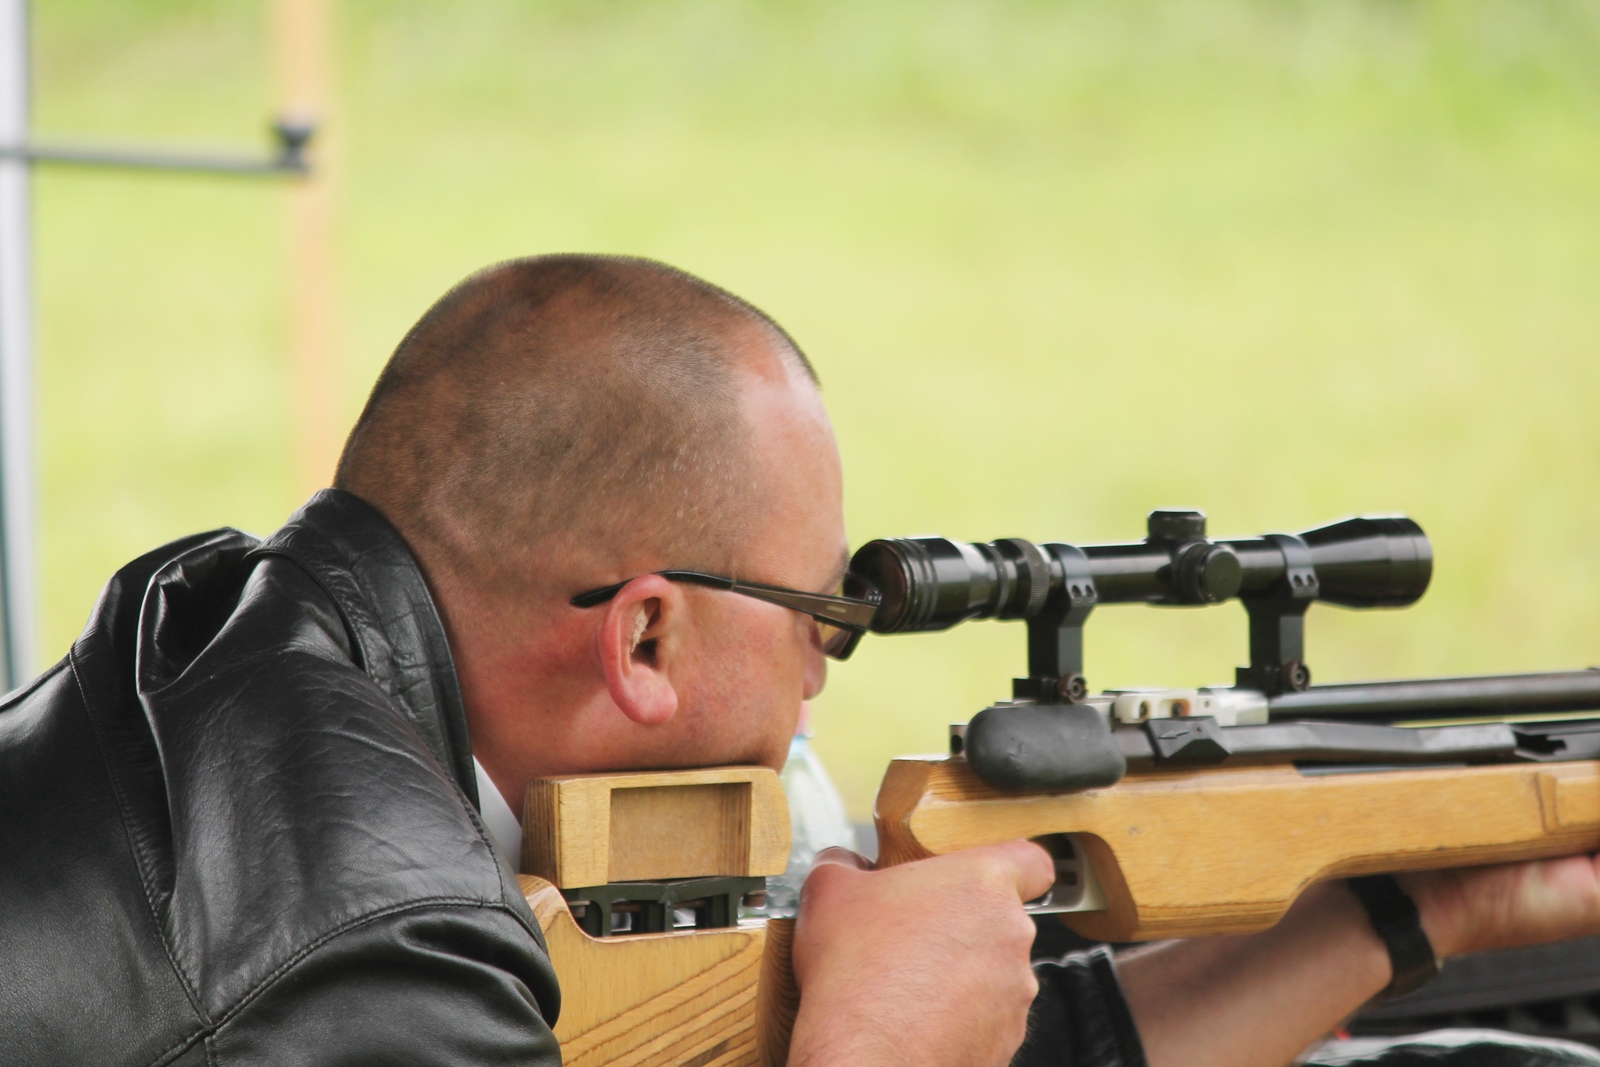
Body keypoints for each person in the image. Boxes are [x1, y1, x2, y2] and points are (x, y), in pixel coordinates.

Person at [2, 254, 1599, 1067]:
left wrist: (1412, 912)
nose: (827, 677)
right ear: (644, 634)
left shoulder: (225, 628)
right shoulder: (370, 953)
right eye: (819, 620)